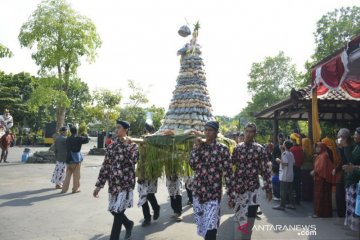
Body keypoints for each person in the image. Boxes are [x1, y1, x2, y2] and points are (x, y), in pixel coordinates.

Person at [93, 120, 138, 240]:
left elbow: (133, 161)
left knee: (118, 213)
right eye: (116, 127)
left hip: (125, 184)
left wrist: (126, 145)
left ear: (125, 130)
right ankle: (128, 224)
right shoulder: (111, 146)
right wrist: (99, 185)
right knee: (113, 210)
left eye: (119, 127)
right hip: (113, 184)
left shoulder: (132, 145)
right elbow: (106, 166)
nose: (116, 129)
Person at [228, 122, 272, 240]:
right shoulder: (237, 148)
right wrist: (230, 193)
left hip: (253, 188)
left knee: (251, 215)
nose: (248, 134)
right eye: (246, 131)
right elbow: (231, 168)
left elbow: (266, 171)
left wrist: (268, 189)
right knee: (240, 215)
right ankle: (241, 236)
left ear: (255, 134)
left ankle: (247, 237)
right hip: (239, 188)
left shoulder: (260, 149)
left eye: (251, 131)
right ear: (244, 131)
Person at [189, 121, 232, 240]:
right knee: (202, 224)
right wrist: (197, 147)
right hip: (198, 192)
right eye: (206, 130)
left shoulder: (222, 149)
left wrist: (231, 195)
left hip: (213, 194)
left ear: (216, 133)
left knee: (211, 226)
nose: (207, 132)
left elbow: (228, 172)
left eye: (210, 130)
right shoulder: (198, 147)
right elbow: (192, 165)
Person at [137, 122, 160, 227]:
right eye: (144, 130)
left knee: (150, 195)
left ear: (152, 132)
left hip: (152, 172)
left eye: (146, 130)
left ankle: (156, 208)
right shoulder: (140, 142)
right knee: (143, 197)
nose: (144, 132)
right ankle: (147, 218)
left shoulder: (156, 142)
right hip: (142, 172)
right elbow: (138, 158)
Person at [60, 126, 89, 193]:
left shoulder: (68, 139)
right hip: (76, 159)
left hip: (68, 158)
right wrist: (85, 134)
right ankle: (75, 189)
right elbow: (87, 140)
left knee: (68, 175)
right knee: (76, 176)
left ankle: (64, 189)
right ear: (77, 131)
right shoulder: (79, 138)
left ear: (70, 131)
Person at [342, 127, 360, 233]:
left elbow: (352, 161)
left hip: (355, 180)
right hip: (352, 180)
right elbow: (350, 160)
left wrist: (353, 168)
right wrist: (343, 147)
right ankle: (353, 226)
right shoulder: (356, 147)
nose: (354, 136)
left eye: (357, 134)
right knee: (352, 206)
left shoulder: (354, 146)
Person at [311, 142, 335, 218]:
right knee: (323, 196)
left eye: (319, 147)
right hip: (321, 179)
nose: (317, 148)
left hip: (321, 179)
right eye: (316, 147)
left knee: (320, 196)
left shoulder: (324, 156)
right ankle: (324, 213)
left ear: (322, 148)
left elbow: (322, 168)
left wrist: (314, 171)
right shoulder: (322, 155)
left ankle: (319, 213)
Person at [333, 128, 352, 218]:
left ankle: (344, 214)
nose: (337, 140)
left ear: (343, 138)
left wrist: (340, 148)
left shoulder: (349, 148)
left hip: (348, 175)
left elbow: (345, 161)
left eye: (338, 137)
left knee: (342, 196)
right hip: (343, 174)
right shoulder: (342, 148)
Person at [273, 140, 296, 210]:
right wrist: (281, 150)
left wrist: (278, 160)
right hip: (290, 175)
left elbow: (285, 163)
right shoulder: (291, 153)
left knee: (283, 191)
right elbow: (293, 163)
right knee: (290, 190)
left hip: (285, 175)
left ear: (285, 145)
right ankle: (292, 204)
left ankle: (282, 205)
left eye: (283, 143)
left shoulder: (285, 154)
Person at [290, 133, 304, 204]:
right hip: (299, 168)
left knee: (292, 185)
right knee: (298, 184)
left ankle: (292, 200)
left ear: (294, 141)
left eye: (292, 140)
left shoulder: (291, 149)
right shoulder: (301, 149)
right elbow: (302, 160)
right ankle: (298, 200)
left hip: (292, 168)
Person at [271, 133, 284, 200]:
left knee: (276, 180)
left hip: (277, 165)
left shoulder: (276, 146)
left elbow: (273, 156)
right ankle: (280, 195)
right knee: (281, 181)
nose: (280, 139)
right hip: (283, 166)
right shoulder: (286, 145)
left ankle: (277, 195)